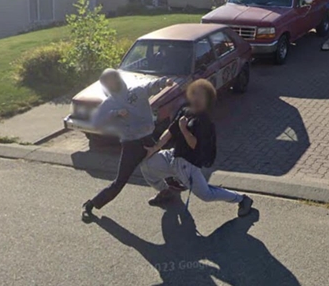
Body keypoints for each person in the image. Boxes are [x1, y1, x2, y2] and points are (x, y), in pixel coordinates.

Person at [141, 79, 253, 217]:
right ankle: (166, 192)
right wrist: (155, 148)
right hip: (173, 156)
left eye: (200, 95)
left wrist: (184, 130)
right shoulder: (185, 111)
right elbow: (170, 131)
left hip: (187, 165)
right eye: (194, 94)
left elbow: (194, 144)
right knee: (146, 165)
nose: (196, 98)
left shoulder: (204, 121)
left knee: (206, 194)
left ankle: (242, 199)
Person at [82, 68, 173, 220]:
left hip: (148, 139)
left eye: (113, 80)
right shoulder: (109, 103)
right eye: (108, 83)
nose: (112, 84)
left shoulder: (137, 91)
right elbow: (96, 122)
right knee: (120, 181)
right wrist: (115, 113)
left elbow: (152, 85)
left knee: (157, 167)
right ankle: (90, 205)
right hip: (131, 145)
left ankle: (166, 191)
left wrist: (165, 82)